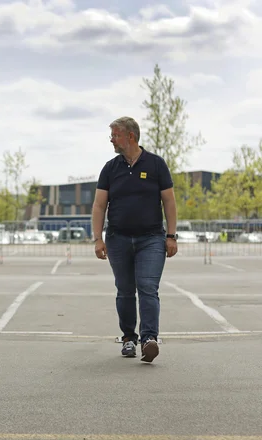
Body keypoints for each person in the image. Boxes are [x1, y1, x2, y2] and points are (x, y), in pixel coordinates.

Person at [91, 116, 178, 363]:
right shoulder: (110, 168)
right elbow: (99, 206)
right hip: (118, 238)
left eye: (115, 135)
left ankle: (149, 339)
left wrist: (171, 235)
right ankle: (129, 339)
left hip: (151, 238)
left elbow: (169, 202)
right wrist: (98, 239)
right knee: (125, 290)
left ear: (130, 136)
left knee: (148, 287)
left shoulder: (156, 164)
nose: (111, 139)